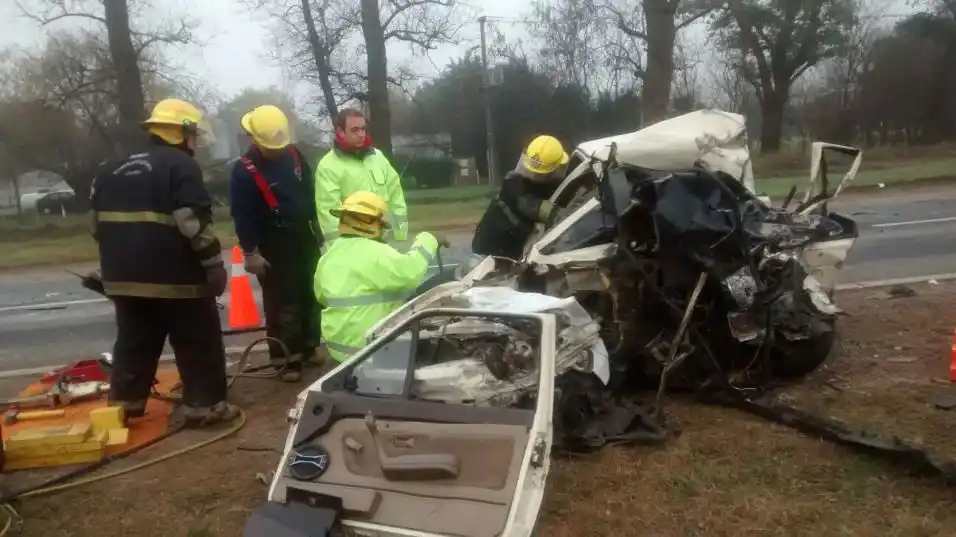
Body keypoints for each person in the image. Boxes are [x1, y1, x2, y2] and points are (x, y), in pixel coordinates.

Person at [88, 98, 238, 427]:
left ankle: (124, 404)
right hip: (176, 277)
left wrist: (121, 262)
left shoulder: (111, 166)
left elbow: (96, 226)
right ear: (181, 132)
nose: (195, 142)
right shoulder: (181, 167)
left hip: (122, 277)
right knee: (198, 338)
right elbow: (191, 222)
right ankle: (205, 405)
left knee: (134, 339)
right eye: (193, 135)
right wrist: (213, 264)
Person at [229, 105, 324, 383]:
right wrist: (251, 251)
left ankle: (309, 347)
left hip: (303, 238)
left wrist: (318, 231)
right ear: (253, 139)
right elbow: (241, 214)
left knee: (310, 295)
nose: (277, 150)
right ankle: (285, 359)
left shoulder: (295, 156)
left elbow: (310, 192)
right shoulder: (243, 171)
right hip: (272, 243)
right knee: (283, 304)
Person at [314, 191, 450, 363]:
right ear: (373, 222)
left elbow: (320, 296)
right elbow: (410, 272)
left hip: (338, 350)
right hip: (369, 349)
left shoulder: (329, 255)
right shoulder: (376, 252)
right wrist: (429, 239)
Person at [314, 109, 408, 246]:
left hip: (385, 242)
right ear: (340, 132)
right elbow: (328, 215)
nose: (361, 134)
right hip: (354, 247)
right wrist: (339, 250)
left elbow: (396, 195)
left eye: (363, 129)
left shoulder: (378, 157)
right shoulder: (328, 166)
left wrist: (400, 236)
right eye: (355, 130)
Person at [471, 135, 571, 260]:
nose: (535, 176)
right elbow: (557, 215)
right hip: (493, 254)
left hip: (492, 245)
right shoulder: (521, 195)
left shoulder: (516, 180)